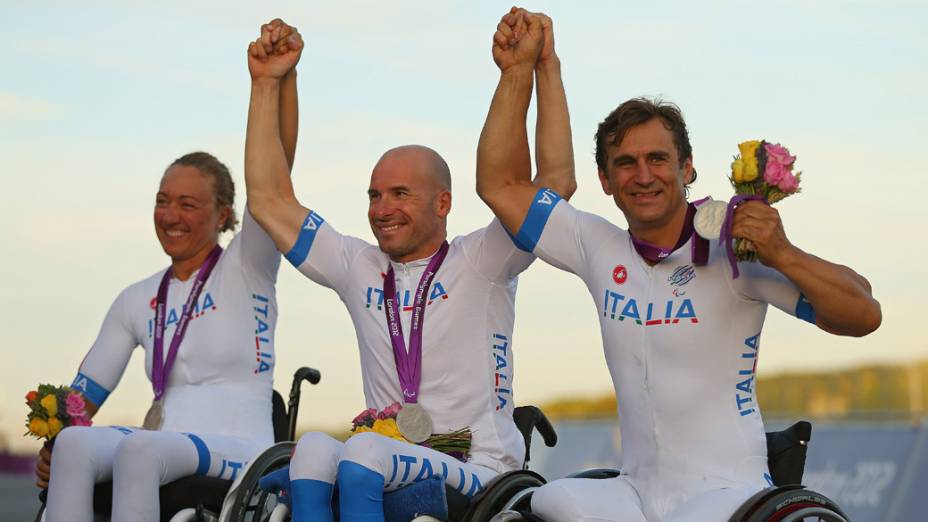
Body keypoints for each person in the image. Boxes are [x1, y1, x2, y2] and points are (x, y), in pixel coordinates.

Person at [476, 10, 882, 522]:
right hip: (635, 491)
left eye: (658, 159)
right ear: (605, 179)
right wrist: (528, 70)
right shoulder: (598, 247)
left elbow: (864, 313)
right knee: (545, 501)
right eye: (625, 163)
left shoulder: (738, 249)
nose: (642, 176)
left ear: (688, 167)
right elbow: (501, 186)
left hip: (727, 492)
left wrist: (784, 253)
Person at [243, 10, 574, 522]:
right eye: (374, 195)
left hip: (481, 466)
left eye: (400, 194)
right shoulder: (358, 265)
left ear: (443, 203)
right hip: (380, 457)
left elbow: (554, 182)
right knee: (310, 448)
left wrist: (540, 70)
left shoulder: (483, 257)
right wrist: (266, 85)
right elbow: (269, 200)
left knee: (363, 451)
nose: (381, 208)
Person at [35, 20, 301, 522]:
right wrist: (54, 441)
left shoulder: (250, 263)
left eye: (187, 204)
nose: (170, 216)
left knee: (139, 451)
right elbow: (81, 399)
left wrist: (272, 82)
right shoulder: (136, 298)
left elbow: (276, 169)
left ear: (224, 215)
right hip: (166, 445)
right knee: (74, 444)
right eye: (162, 202)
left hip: (240, 446)